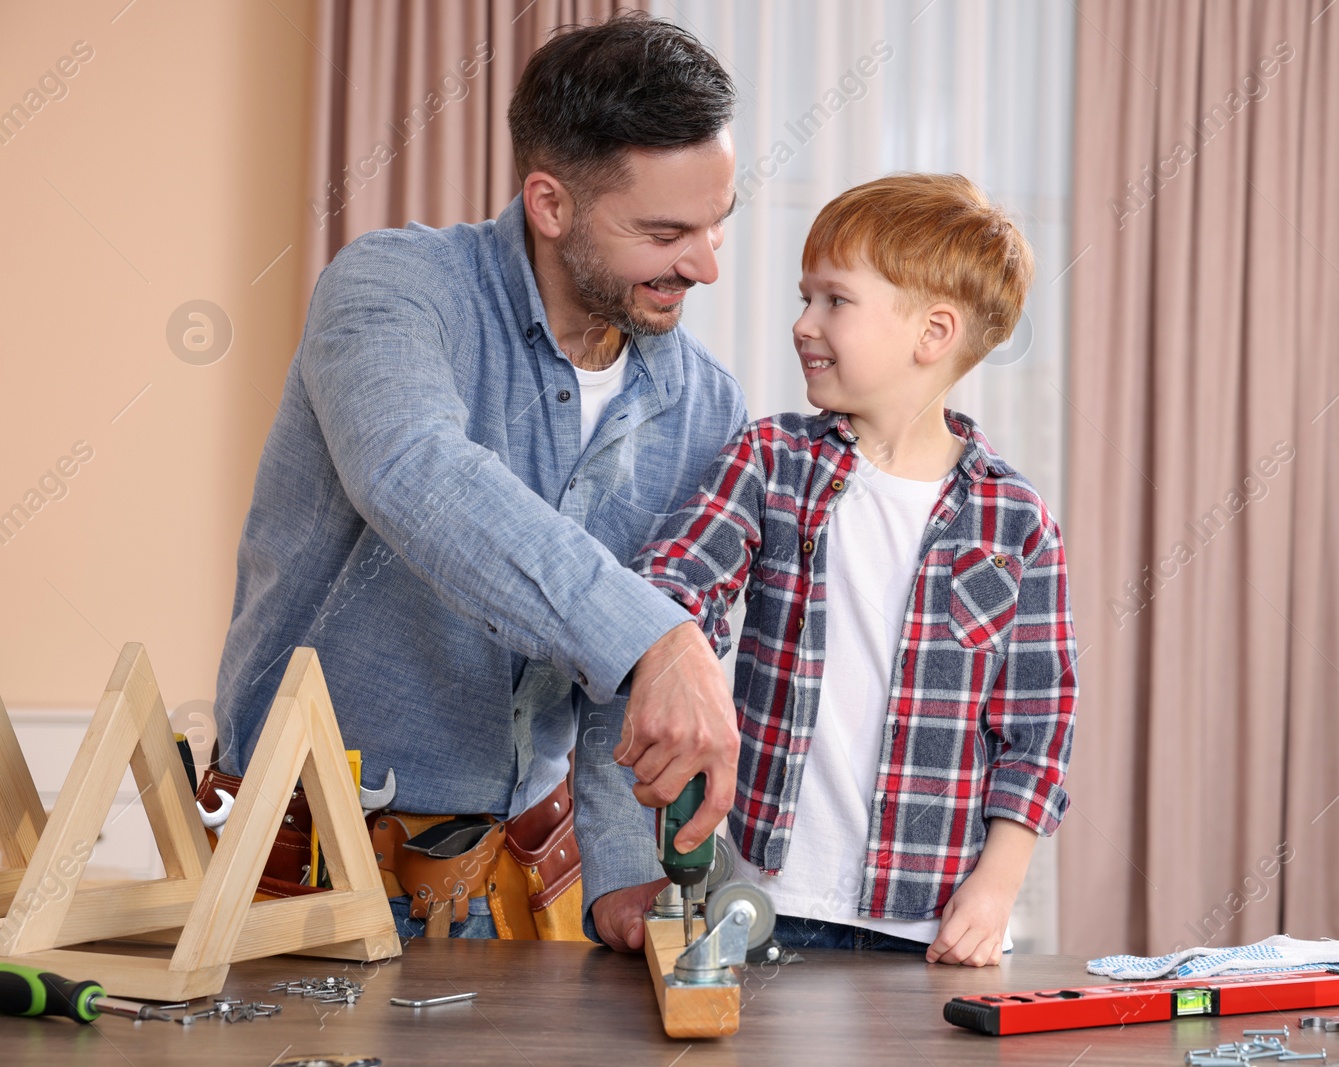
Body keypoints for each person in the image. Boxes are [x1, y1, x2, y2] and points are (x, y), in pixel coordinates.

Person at [210, 13, 746, 941]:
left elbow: (633, 685)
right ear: (550, 203)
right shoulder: (394, 288)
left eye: (716, 226)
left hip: (522, 895)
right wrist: (658, 634)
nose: (702, 266)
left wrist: (624, 871)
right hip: (297, 878)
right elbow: (413, 470)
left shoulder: (706, 404)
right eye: (665, 232)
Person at [581, 174, 1078, 965]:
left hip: (928, 927)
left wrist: (997, 886)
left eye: (834, 301)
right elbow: (676, 578)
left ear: (933, 332)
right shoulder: (771, 461)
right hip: (757, 904)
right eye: (803, 296)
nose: (802, 323)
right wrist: (674, 642)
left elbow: (1037, 727)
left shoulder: (1016, 522)